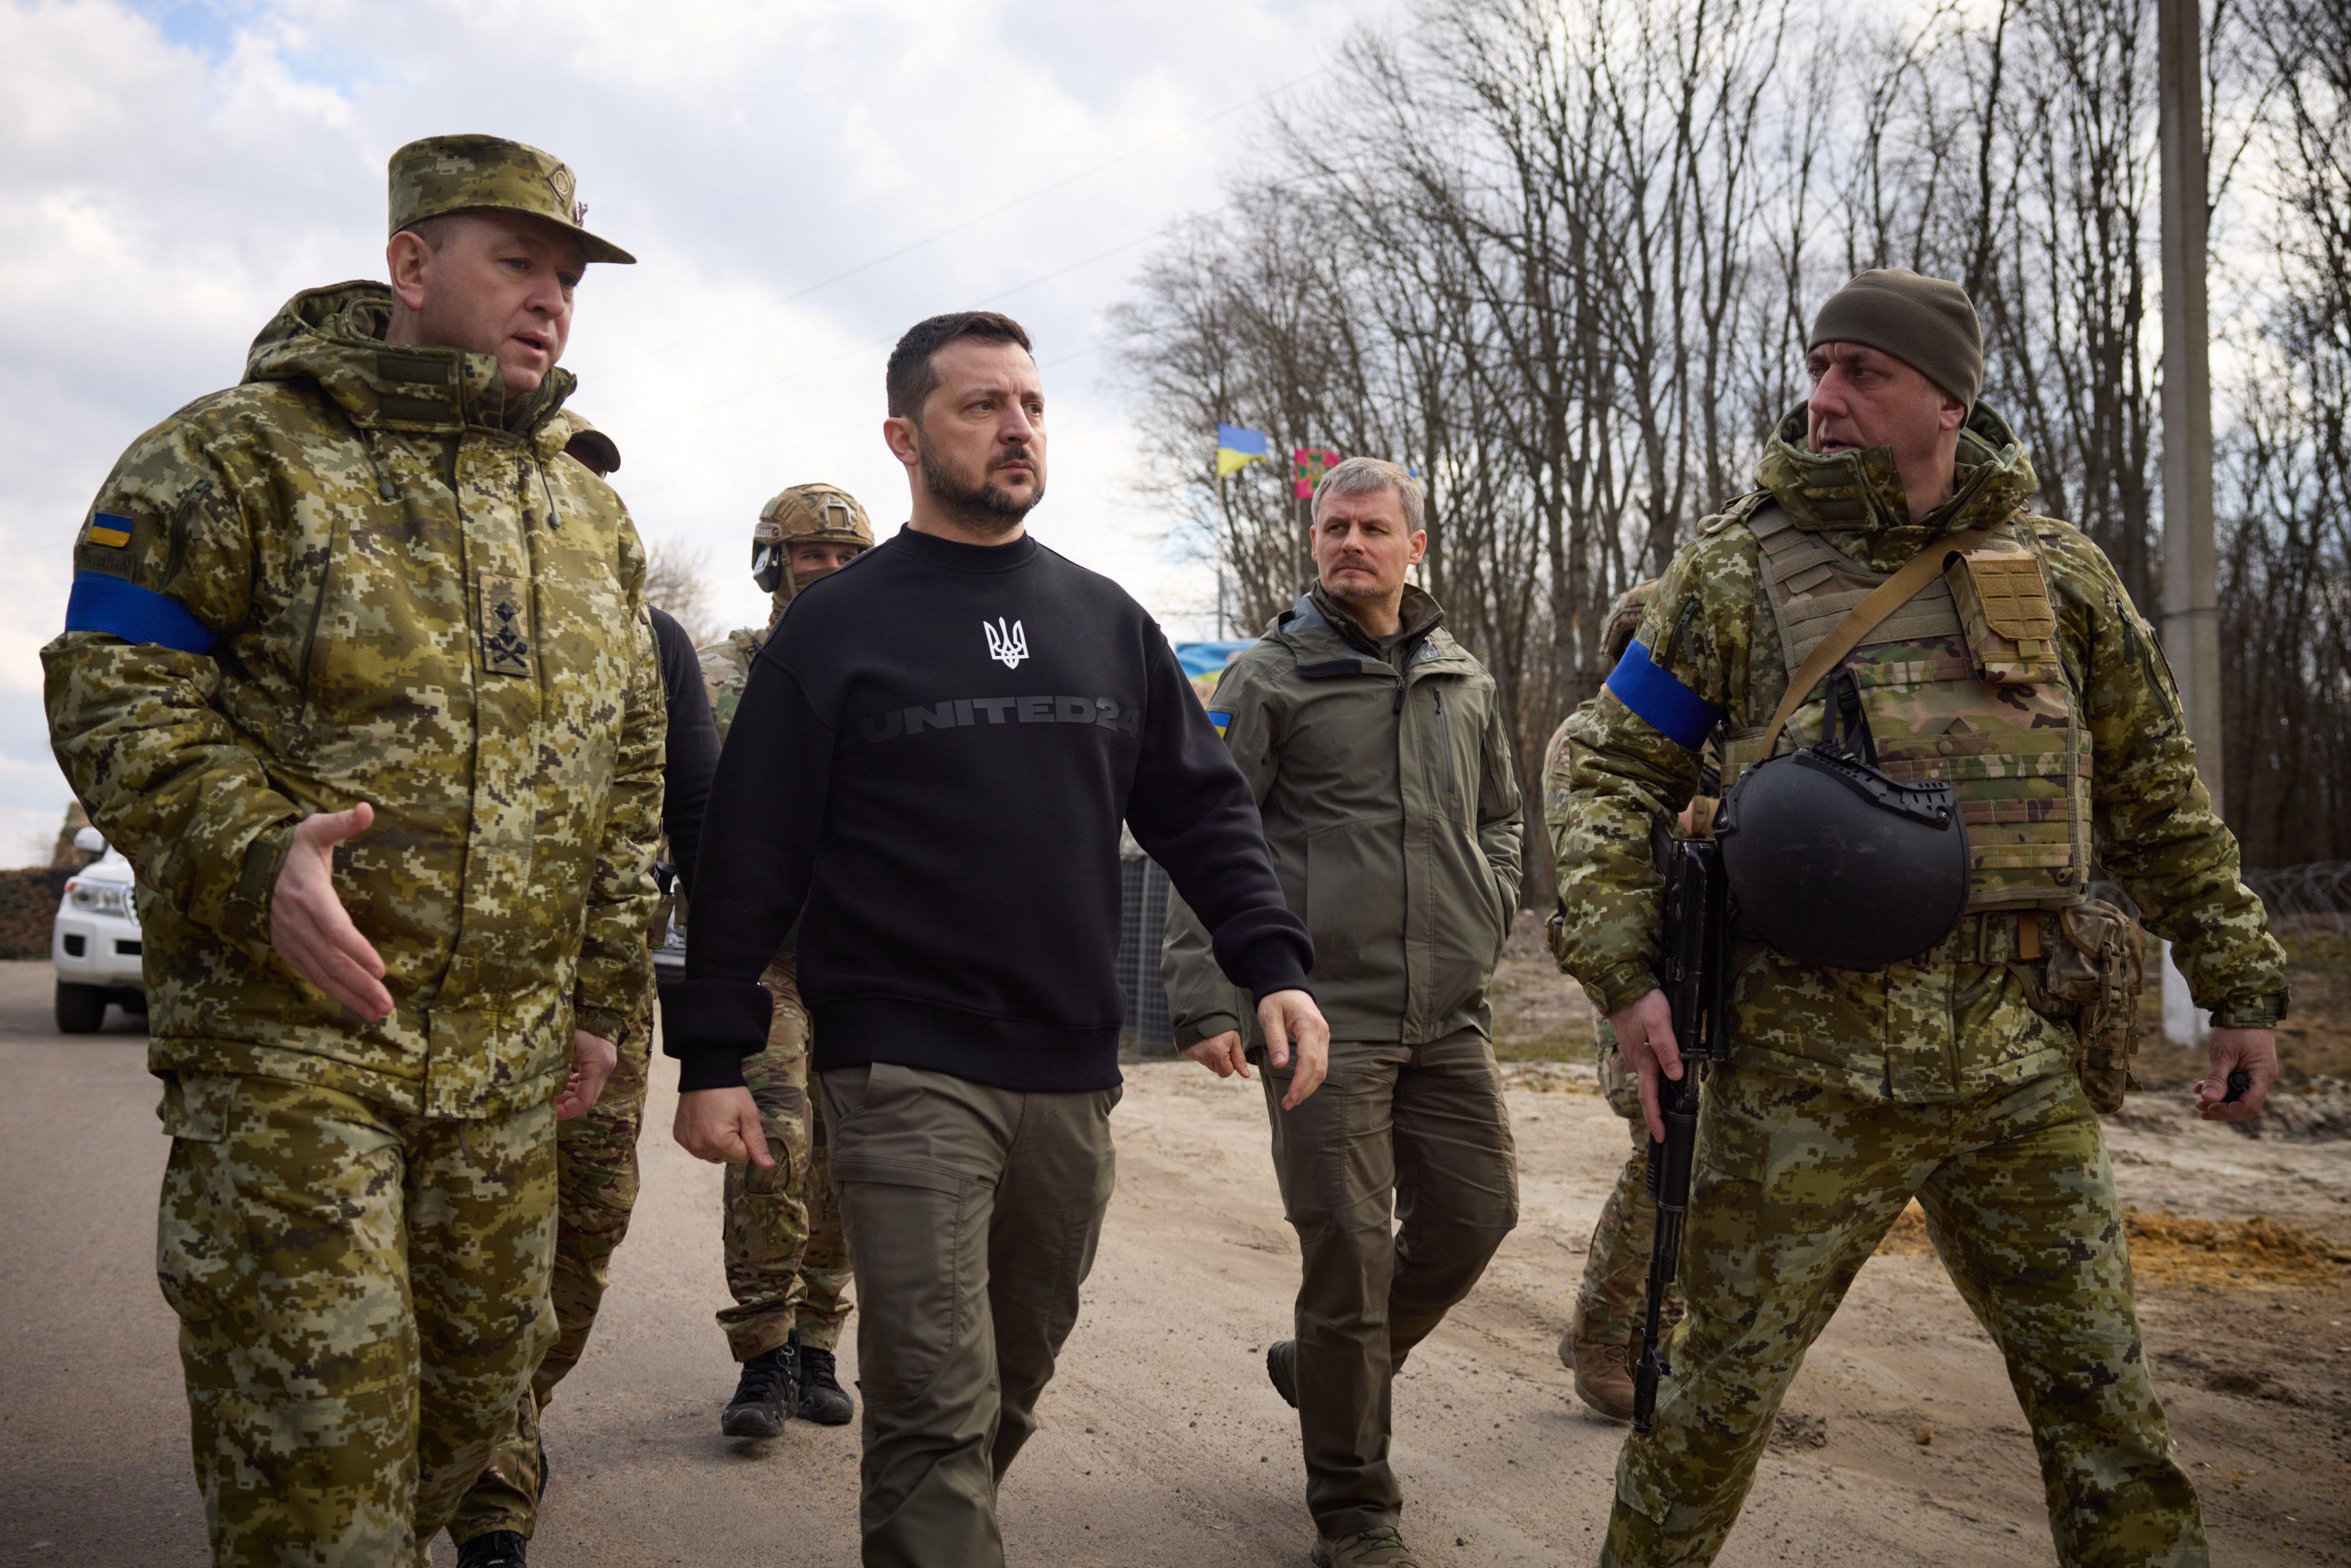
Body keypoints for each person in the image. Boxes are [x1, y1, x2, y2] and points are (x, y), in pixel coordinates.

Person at [1552, 267, 2288, 1566]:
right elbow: (1613, 772)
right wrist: (1624, 974)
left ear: (1947, 398)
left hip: (2021, 1070)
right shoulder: (1734, 571)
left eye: (1862, 373)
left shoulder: (2059, 576)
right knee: (1711, 1404)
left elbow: (2158, 790)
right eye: (1818, 367)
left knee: (2106, 1415)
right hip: (1801, 1076)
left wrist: (2238, 983)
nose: (1823, 398)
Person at [42, 135, 662, 1565]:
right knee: (316, 1477)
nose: (551, 299)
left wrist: (599, 1000)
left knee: (469, 1413)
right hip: (292, 1055)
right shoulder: (228, 454)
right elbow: (113, 683)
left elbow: (630, 773)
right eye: (517, 261)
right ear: (409, 264)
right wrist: (257, 854)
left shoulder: (588, 514)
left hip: (506, 1070)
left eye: (568, 275)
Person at [661, 309, 1331, 1568]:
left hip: (1071, 1076)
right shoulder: (836, 628)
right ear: (904, 437)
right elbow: (747, 857)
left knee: (1005, 1385)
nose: (1016, 425)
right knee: (926, 1399)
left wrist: (1272, 966)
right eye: (982, 405)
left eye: (1029, 403)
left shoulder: (1105, 618)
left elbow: (1203, 812)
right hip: (901, 1069)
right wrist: (711, 1055)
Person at [1162, 456, 1523, 1568]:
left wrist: (1488, 906)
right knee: (1350, 1257)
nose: (1350, 545)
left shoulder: (1462, 673)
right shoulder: (1268, 677)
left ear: (1416, 545)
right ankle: (1356, 1509)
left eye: (1373, 528)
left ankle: (1323, 1368)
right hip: (1320, 1016)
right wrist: (1205, 992)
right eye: (1334, 529)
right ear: (1313, 544)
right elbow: (1204, 840)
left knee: (1479, 1216)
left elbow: (1503, 818)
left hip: (1448, 1011)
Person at [446, 415, 723, 1568]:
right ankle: (487, 1480)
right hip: (454, 997)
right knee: (470, 1239)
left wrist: (729, 993)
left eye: (590, 475)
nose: (569, 488)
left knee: (586, 1230)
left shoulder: (649, 636)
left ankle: (506, 1418)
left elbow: (698, 816)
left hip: (602, 987)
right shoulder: (440, 598)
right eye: (553, 464)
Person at [695, 482, 875, 1435]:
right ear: (775, 563)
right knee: (772, 1146)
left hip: (860, 956)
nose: (832, 573)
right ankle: (761, 1352)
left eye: (850, 558)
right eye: (813, 555)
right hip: (764, 959)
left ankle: (818, 1341)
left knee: (844, 1156)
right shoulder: (730, 675)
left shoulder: (893, 665)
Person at [1540, 579, 1691, 1421]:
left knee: (1698, 1159)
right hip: (1634, 975)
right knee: (1665, 1150)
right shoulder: (1588, 739)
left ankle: (1656, 1332)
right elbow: (1595, 860)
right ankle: (1606, 1334)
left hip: (1715, 976)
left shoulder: (1717, 732)